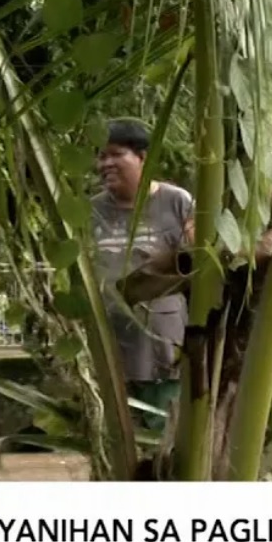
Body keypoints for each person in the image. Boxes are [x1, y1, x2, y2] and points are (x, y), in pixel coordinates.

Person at [91, 118, 195, 432]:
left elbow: (199, 260)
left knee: (162, 446)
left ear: (142, 158)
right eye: (101, 156)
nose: (105, 163)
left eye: (115, 154)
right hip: (108, 354)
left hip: (163, 354)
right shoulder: (91, 210)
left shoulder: (176, 202)